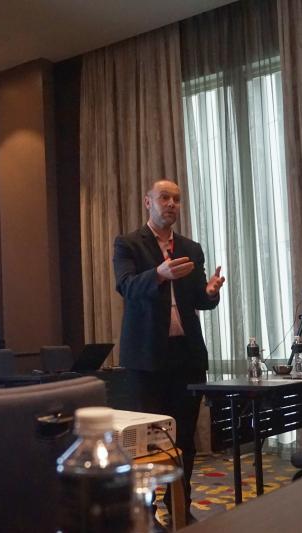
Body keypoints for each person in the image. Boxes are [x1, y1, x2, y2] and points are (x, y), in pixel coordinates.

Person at [113, 179, 225, 520]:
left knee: (184, 438)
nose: (172, 204)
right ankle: (144, 511)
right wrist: (159, 274)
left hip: (186, 356)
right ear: (148, 202)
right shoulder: (128, 243)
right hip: (146, 358)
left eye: (176, 198)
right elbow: (127, 286)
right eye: (165, 197)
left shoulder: (190, 247)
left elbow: (199, 301)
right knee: (147, 441)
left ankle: (179, 506)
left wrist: (210, 293)